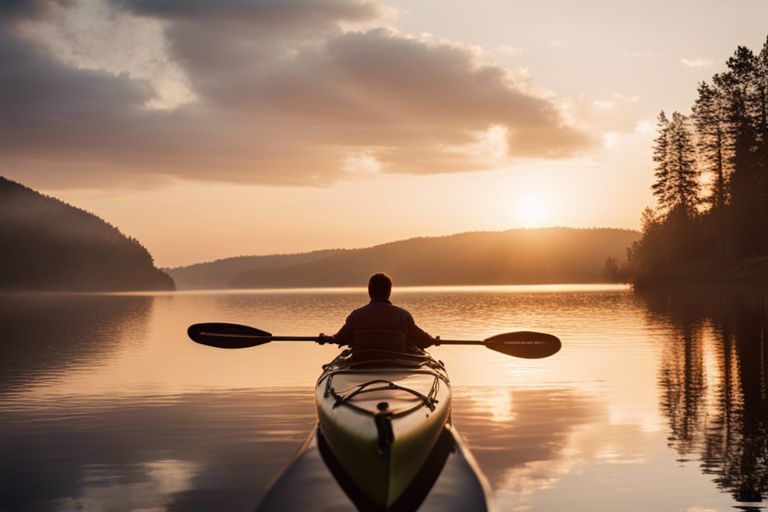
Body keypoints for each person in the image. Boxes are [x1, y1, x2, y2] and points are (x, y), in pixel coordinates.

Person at [320, 273, 435, 350]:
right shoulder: (403, 316)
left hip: (361, 365)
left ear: (369, 291)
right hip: (396, 365)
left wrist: (326, 338)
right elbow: (422, 341)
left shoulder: (356, 316)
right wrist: (433, 340)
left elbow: (340, 339)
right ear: (389, 291)